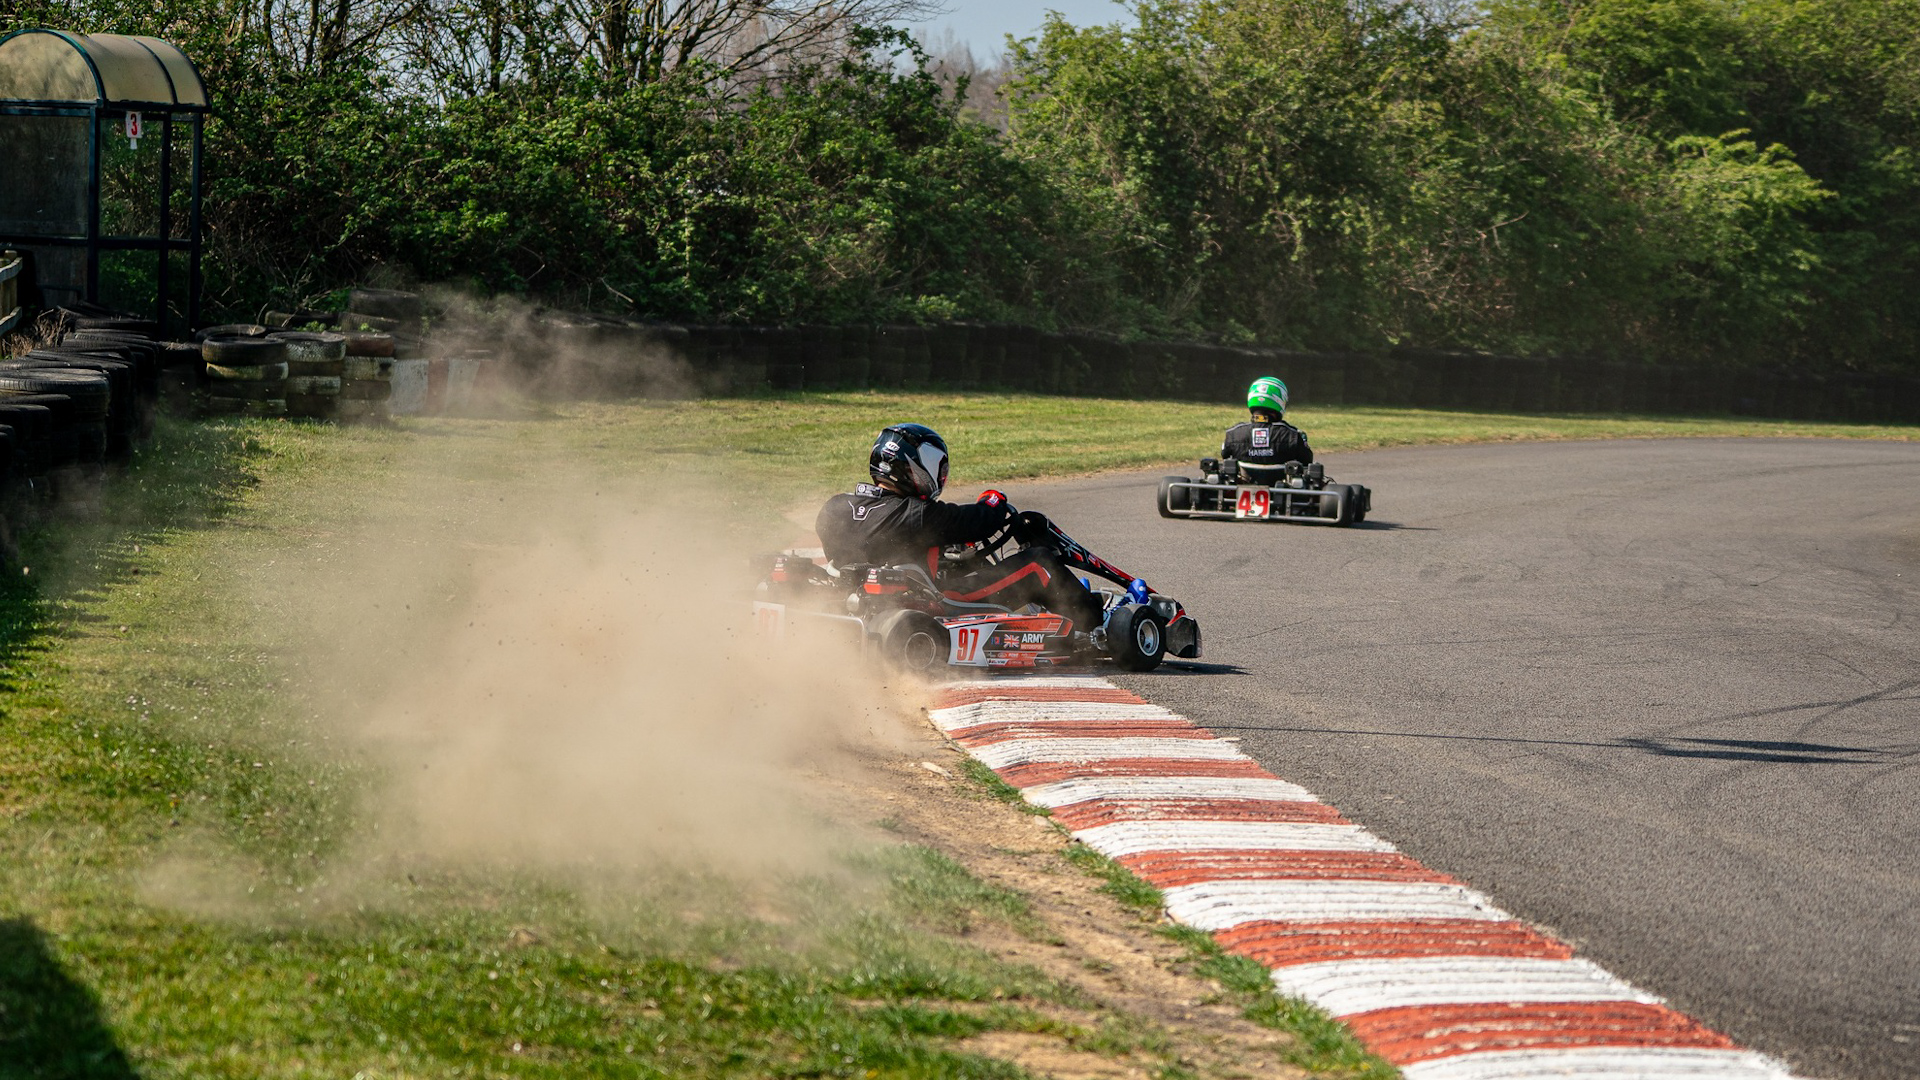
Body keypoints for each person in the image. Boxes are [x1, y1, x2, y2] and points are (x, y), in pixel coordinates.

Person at [815, 423, 1104, 630]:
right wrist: (994, 500)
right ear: (914, 467)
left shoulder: (835, 507)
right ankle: (1097, 623)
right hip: (937, 602)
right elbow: (981, 522)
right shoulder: (915, 514)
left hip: (867, 597)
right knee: (1039, 563)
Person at [1220, 376, 1312, 477]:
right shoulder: (1292, 435)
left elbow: (1224, 455)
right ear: (1280, 401)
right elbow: (1307, 460)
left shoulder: (1234, 433)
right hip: (1281, 488)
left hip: (1244, 482)